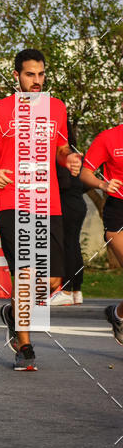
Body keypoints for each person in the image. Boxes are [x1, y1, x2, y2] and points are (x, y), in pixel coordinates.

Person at [0, 48, 81, 371]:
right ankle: (24, 346)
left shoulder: (56, 108)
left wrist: (68, 157)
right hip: (11, 200)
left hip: (48, 200)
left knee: (54, 279)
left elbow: (61, 146)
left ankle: (14, 313)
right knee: (27, 274)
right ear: (17, 76)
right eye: (30, 75)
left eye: (41, 75)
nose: (37, 81)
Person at [79, 125, 123, 341]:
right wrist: (102, 184)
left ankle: (118, 315)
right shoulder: (108, 137)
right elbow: (84, 173)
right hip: (118, 212)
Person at [50, 121, 88, 306]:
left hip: (65, 202)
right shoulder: (76, 152)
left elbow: (64, 182)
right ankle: (76, 291)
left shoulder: (63, 154)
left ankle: (64, 288)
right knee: (73, 245)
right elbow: (85, 181)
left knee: (66, 246)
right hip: (77, 202)